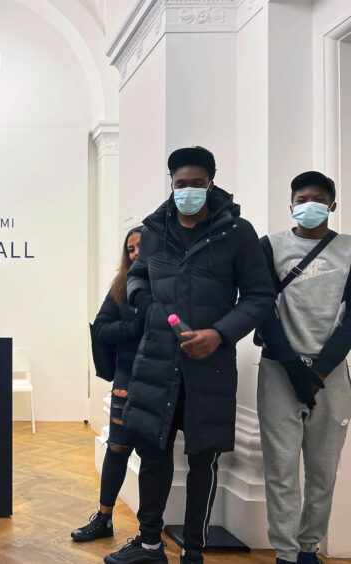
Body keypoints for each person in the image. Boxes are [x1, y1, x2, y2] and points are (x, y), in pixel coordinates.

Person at [104, 147, 275, 564]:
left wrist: (219, 334)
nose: (188, 191)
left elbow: (259, 297)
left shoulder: (237, 232)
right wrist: (150, 311)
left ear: (211, 183)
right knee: (152, 453)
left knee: (203, 459)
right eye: (181, 184)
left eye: (197, 183)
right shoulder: (155, 228)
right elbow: (139, 275)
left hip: (209, 365)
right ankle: (148, 546)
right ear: (172, 183)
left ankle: (193, 552)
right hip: (157, 362)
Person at [255, 171, 351, 564]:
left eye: (317, 198)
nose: (308, 204)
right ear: (291, 204)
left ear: (331, 205)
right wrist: (295, 369)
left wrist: (321, 370)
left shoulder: (348, 250)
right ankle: (286, 551)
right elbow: (262, 310)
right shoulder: (270, 246)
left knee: (323, 471)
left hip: (332, 374)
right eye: (301, 198)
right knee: (280, 470)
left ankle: (309, 547)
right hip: (280, 370)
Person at [71, 227, 144, 542]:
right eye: (130, 249)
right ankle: (103, 519)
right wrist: (134, 327)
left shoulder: (171, 285)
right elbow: (101, 328)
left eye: (142, 246)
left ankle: (149, 534)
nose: (136, 253)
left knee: (157, 454)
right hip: (126, 375)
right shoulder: (121, 286)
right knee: (117, 447)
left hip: (162, 378)